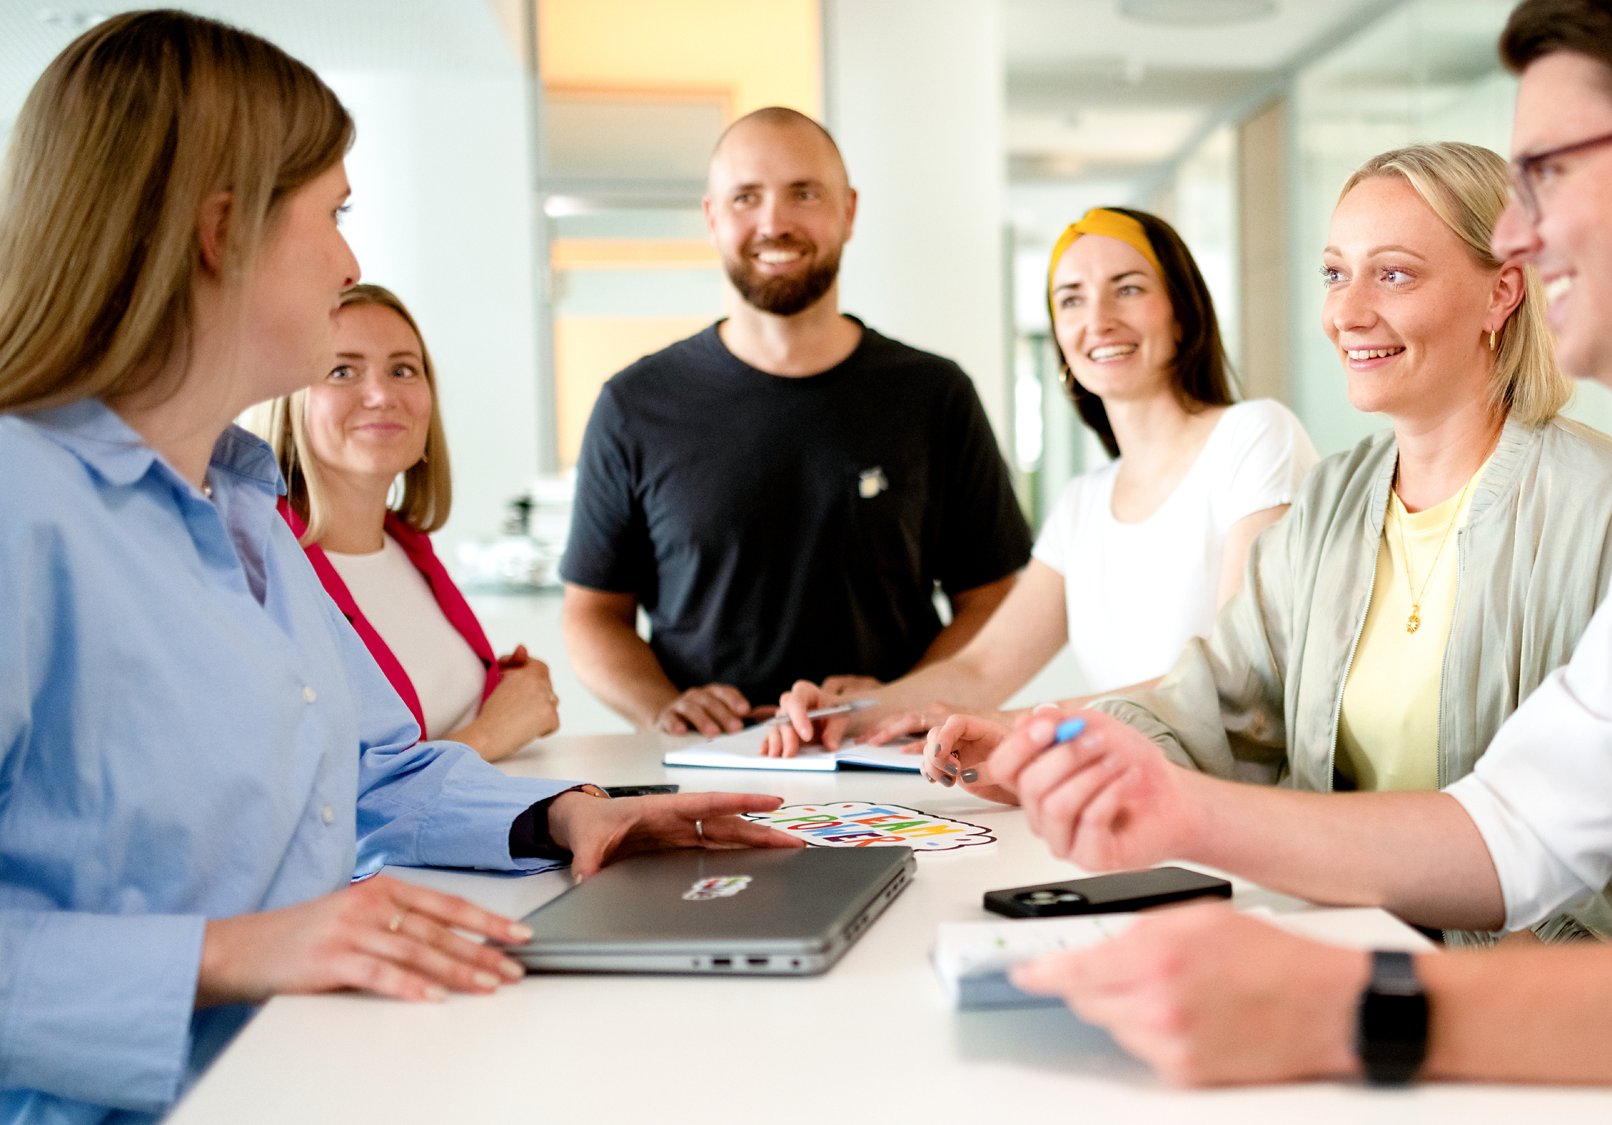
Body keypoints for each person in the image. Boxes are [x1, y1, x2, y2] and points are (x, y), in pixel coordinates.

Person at [981, 0, 1612, 1110]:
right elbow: (1510, 827)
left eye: (1546, 175)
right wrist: (1174, 807)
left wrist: (1359, 1004)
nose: (1515, 235)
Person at [0, 13, 798, 1122]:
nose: (351, 261)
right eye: (330, 214)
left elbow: (367, 770)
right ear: (220, 231)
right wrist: (227, 954)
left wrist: (572, 812)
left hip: (317, 1070)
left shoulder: (241, 509)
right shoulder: (20, 506)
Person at [921, 142, 1612, 947]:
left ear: (1501, 293)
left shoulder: (1608, 506)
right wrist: (1047, 741)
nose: (1345, 313)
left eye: (1393, 274)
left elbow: (1605, 832)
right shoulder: (1332, 505)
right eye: (1334, 273)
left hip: (1543, 988)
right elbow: (1217, 701)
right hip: (1352, 940)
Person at [763, 207, 1317, 757]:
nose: (1096, 319)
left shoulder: (1255, 436)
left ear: (1182, 314)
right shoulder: (1084, 502)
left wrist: (1016, 723)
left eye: (1127, 289)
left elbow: (1235, 680)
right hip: (1119, 800)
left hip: (1236, 814)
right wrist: (846, 715)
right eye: (1071, 299)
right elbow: (981, 668)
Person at [561, 106, 1034, 738]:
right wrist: (659, 706)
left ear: (849, 211)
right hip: (704, 765)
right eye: (746, 197)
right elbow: (592, 614)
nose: (774, 222)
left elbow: (993, 600)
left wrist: (904, 698)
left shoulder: (935, 394)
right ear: (712, 219)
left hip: (893, 756)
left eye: (803, 193)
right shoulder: (634, 404)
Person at [258, 284, 557, 762]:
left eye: (402, 370)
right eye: (342, 370)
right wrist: (488, 736)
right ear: (289, 406)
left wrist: (512, 689)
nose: (381, 395)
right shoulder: (260, 564)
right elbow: (307, 789)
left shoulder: (407, 547)